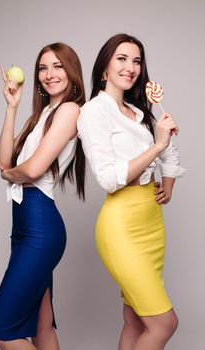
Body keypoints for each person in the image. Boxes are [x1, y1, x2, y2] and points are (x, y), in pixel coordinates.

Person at [77, 33, 186, 350]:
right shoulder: (95, 112)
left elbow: (167, 154)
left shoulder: (137, 113)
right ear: (104, 68)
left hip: (151, 222)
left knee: (136, 320)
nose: (131, 67)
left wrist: (167, 183)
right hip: (121, 225)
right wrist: (159, 144)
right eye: (122, 59)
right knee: (165, 324)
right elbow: (110, 179)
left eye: (136, 60)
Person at [0, 42, 85, 350]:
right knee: (42, 327)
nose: (49, 74)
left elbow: (31, 170)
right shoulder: (40, 117)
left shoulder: (69, 109)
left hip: (41, 226)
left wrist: (9, 175)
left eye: (58, 66)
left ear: (72, 72)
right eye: (43, 67)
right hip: (24, 226)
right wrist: (12, 108)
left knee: (0, 328)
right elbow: (4, 161)